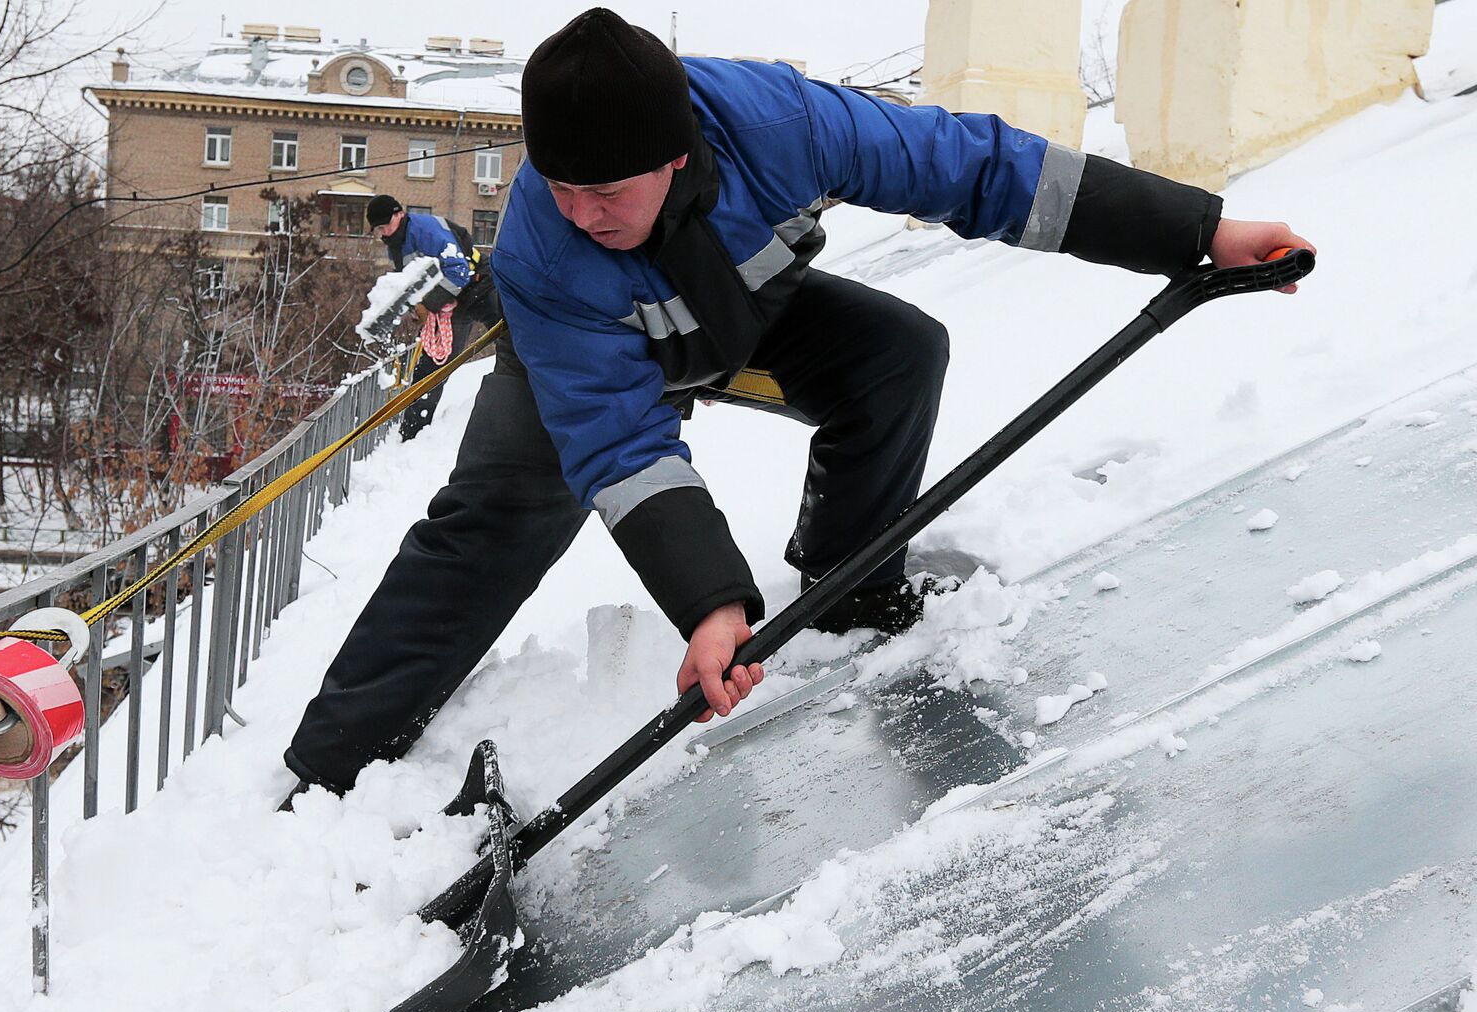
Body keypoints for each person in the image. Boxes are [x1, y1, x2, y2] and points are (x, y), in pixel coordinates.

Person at [282, 8, 1311, 802]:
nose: (583, 213)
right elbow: (622, 442)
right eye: (562, 187)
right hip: (589, 357)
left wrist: (1198, 232)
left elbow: (984, 168)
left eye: (609, 192)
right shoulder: (548, 250)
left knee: (897, 355)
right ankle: (332, 772)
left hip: (739, 320)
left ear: (676, 151)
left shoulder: (782, 124)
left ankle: (850, 587)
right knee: (500, 513)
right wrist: (711, 601)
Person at [365, 194, 501, 440]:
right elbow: (409, 282)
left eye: (385, 225)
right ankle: (411, 437)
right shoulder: (395, 243)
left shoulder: (425, 229)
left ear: (399, 215)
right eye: (378, 229)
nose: (382, 232)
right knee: (431, 370)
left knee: (508, 333)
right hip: (449, 304)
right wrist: (414, 308)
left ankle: (525, 390)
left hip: (478, 286)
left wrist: (428, 304)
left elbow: (458, 271)